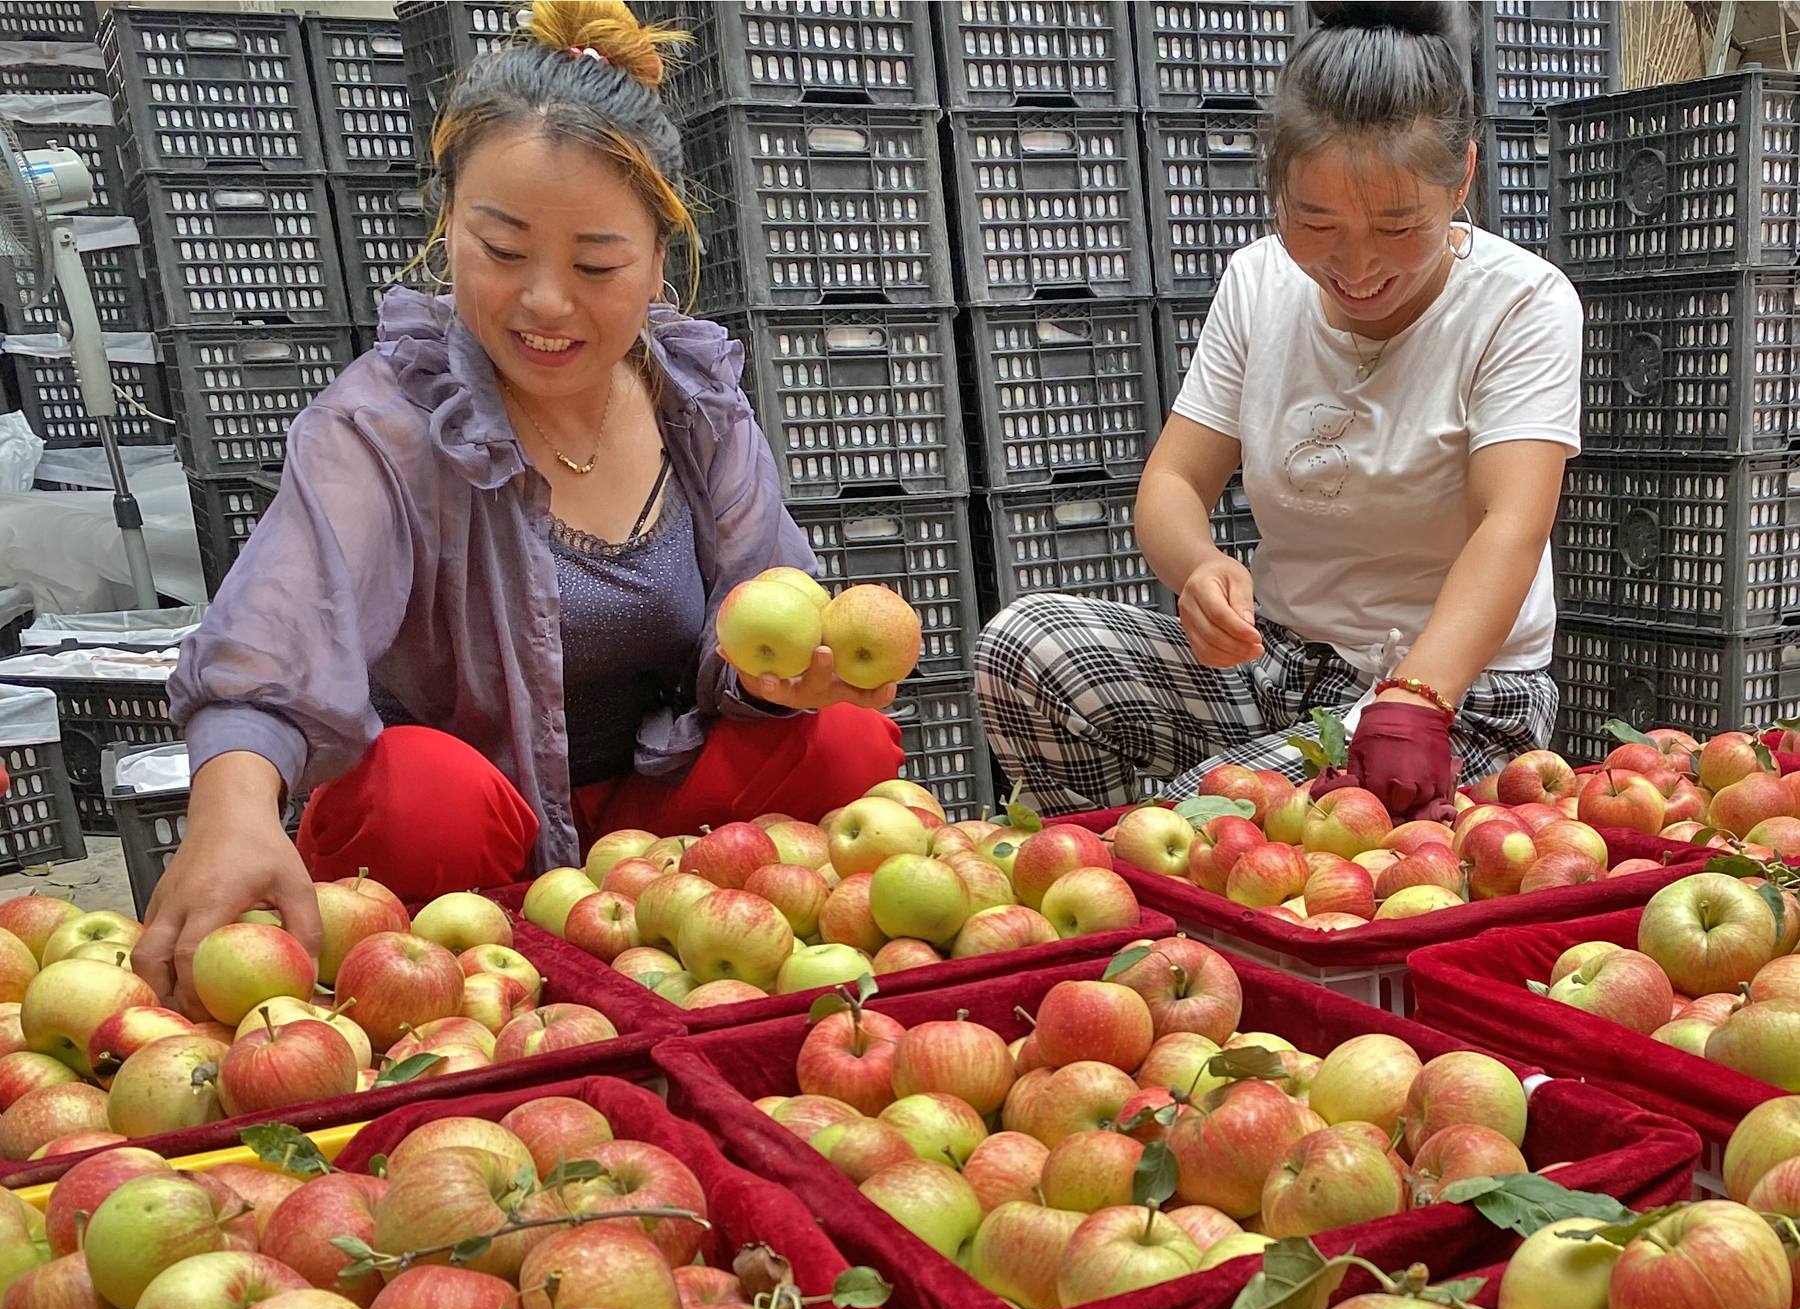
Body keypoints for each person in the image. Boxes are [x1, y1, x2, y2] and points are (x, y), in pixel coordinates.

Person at [134, 0, 902, 1008]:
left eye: (595, 265)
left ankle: (718, 967)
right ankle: (438, 1000)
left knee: (846, 740)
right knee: (414, 789)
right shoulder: (390, 422)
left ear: (660, 258)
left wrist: (778, 683)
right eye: (499, 252)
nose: (544, 302)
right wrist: (231, 805)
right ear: (447, 225)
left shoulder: (697, 408)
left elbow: (764, 606)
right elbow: (287, 608)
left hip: (654, 840)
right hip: (465, 859)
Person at [976, 0, 1581, 826]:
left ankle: (1156, 873)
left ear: (1463, 178)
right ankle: (1133, 892)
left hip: (1454, 696)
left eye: (1399, 224)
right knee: (1027, 650)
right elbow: (1173, 482)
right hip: (1279, 665)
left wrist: (1417, 697)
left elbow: (1510, 527)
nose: (1357, 263)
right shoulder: (1259, 283)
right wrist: (1197, 568)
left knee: (1193, 829)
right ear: (1275, 190)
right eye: (1315, 220)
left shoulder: (1522, 305)